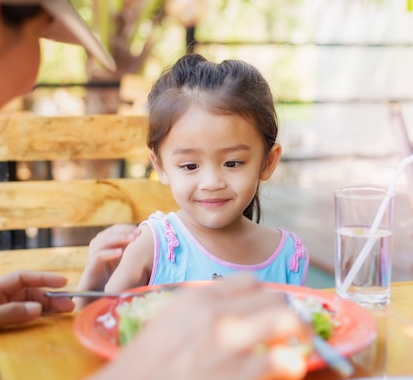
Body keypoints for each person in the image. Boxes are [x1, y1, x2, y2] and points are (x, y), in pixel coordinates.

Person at [0, 0, 309, 380]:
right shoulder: (161, 239)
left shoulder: (285, 250)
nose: (34, 74)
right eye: (39, 36)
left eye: (232, 162)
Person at [78, 54, 310, 295]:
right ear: (161, 167)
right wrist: (91, 283)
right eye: (190, 166)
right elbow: (103, 322)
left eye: (232, 163)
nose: (211, 183)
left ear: (268, 162)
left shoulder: (287, 257)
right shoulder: (153, 245)